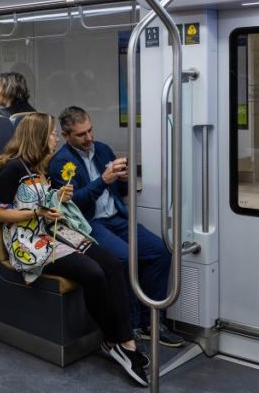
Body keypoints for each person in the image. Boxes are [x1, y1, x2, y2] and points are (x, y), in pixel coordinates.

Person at [0, 113, 148, 387]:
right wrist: (37, 211)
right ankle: (115, 340)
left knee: (111, 263)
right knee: (94, 273)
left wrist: (58, 197)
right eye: (51, 134)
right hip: (29, 240)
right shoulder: (11, 169)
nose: (54, 138)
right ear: (38, 137)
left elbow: (45, 200)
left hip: (55, 230)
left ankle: (126, 341)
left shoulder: (40, 167)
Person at [48, 106, 185, 347]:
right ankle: (130, 326)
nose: (89, 138)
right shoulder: (60, 162)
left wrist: (124, 179)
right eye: (81, 135)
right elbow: (73, 206)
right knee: (123, 258)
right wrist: (102, 180)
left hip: (116, 218)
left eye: (90, 130)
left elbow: (119, 192)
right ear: (67, 136)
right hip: (90, 223)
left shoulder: (102, 150)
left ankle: (152, 322)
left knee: (160, 251)